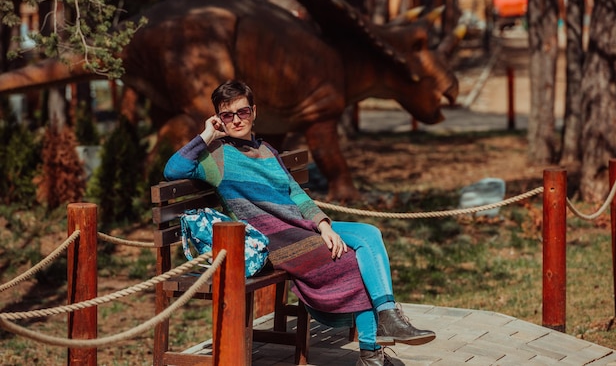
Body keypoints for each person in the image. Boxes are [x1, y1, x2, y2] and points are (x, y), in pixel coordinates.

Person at [163, 80, 435, 366]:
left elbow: (295, 191)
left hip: (300, 229)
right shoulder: (215, 156)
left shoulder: (267, 149)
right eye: (227, 115)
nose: (236, 120)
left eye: (242, 112)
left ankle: (386, 317)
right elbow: (173, 170)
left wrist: (323, 225)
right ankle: (372, 353)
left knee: (369, 232)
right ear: (219, 118)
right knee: (350, 260)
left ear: (253, 112)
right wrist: (206, 134)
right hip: (273, 241)